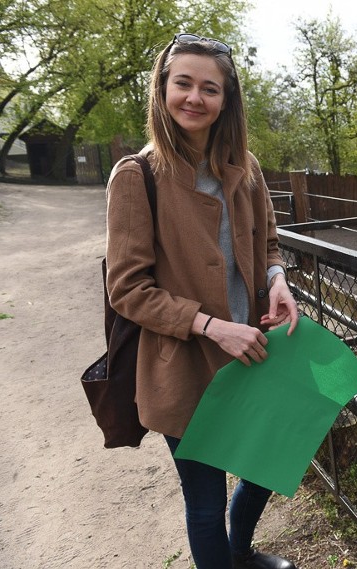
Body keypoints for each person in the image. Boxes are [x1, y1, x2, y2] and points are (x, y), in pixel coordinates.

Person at [105, 33, 299, 569]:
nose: (194, 98)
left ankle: (239, 555)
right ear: (162, 88)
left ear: (226, 99)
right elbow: (127, 289)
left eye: (209, 88)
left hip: (258, 355)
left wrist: (278, 278)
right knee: (207, 505)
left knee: (265, 469)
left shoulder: (246, 168)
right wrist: (212, 326)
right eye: (182, 83)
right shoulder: (136, 176)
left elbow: (269, 241)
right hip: (186, 367)